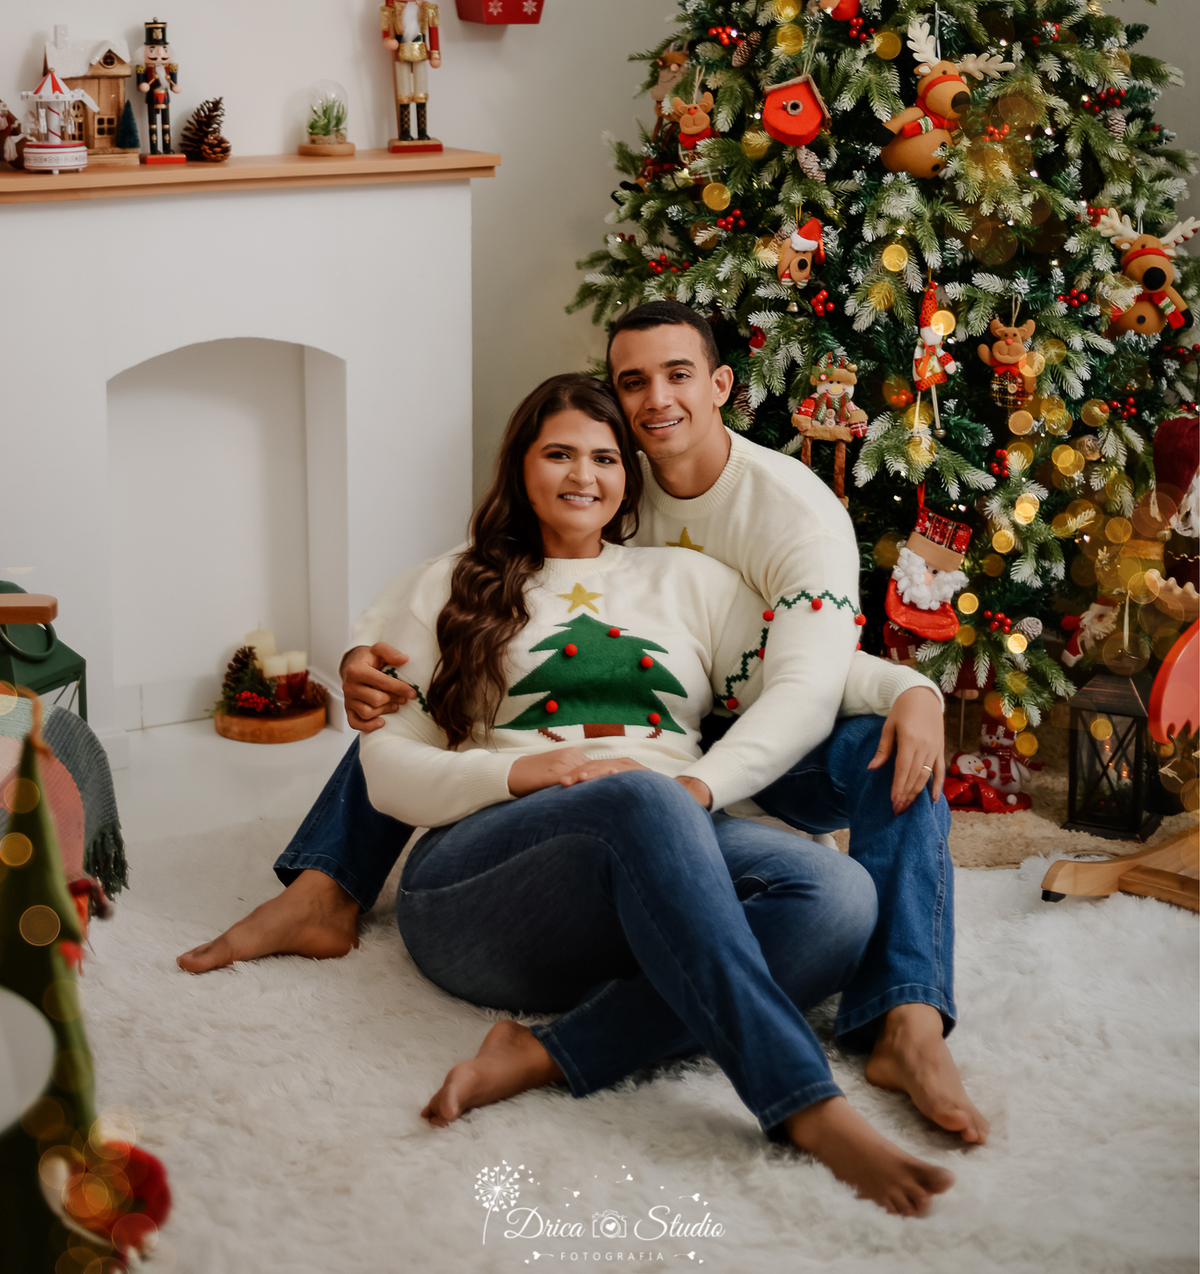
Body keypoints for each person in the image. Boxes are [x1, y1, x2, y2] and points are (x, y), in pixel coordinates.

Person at [182, 301, 986, 1151]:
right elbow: (389, 755)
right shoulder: (452, 582)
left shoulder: (746, 544)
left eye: (604, 455)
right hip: (513, 858)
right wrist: (504, 762)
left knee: (837, 893)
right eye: (565, 448)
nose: (590, 469)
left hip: (687, 795)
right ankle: (798, 1098)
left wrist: (911, 689)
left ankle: (574, 1050)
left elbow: (802, 672)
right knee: (605, 785)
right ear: (523, 463)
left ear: (717, 389)